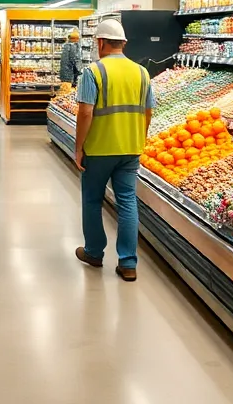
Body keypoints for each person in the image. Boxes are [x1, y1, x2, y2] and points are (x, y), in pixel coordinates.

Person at [73, 19, 154, 282]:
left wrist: (79, 147)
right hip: (130, 149)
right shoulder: (142, 72)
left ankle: (95, 253)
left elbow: (85, 112)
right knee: (128, 202)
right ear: (124, 43)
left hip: (99, 149)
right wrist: (138, 139)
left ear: (101, 43)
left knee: (93, 201)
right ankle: (128, 263)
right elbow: (148, 111)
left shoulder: (93, 72)